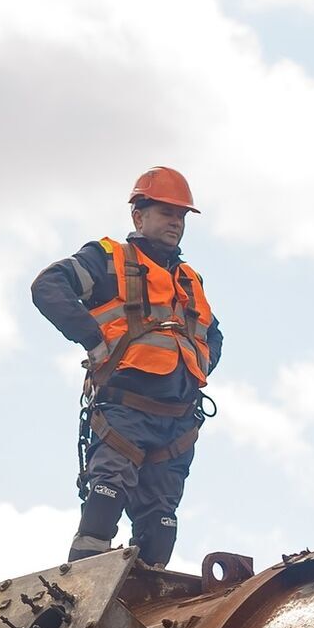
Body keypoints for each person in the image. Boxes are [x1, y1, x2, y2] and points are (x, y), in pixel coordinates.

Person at [32, 166, 222, 567]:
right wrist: (92, 339)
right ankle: (76, 597)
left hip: (177, 423)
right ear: (139, 216)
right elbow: (48, 286)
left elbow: (213, 335)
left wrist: (195, 370)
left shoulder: (189, 279)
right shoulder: (107, 259)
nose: (176, 222)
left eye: (181, 216)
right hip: (124, 413)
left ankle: (142, 604)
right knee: (104, 505)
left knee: (161, 528)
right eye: (166, 212)